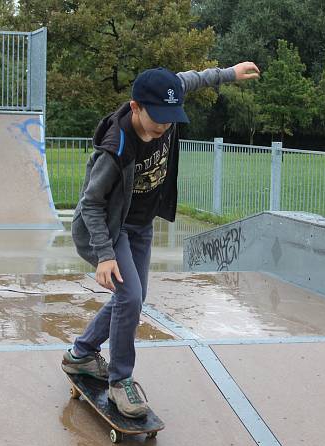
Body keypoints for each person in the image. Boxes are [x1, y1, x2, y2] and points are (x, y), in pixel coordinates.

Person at [62, 62, 260, 417]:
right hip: (108, 230)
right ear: (136, 107)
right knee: (130, 295)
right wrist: (105, 255)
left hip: (140, 225)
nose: (162, 130)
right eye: (156, 124)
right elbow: (91, 204)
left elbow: (195, 79)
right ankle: (120, 381)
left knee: (133, 300)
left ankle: (80, 353)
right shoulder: (115, 147)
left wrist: (230, 73)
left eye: (168, 123)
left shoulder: (166, 104)